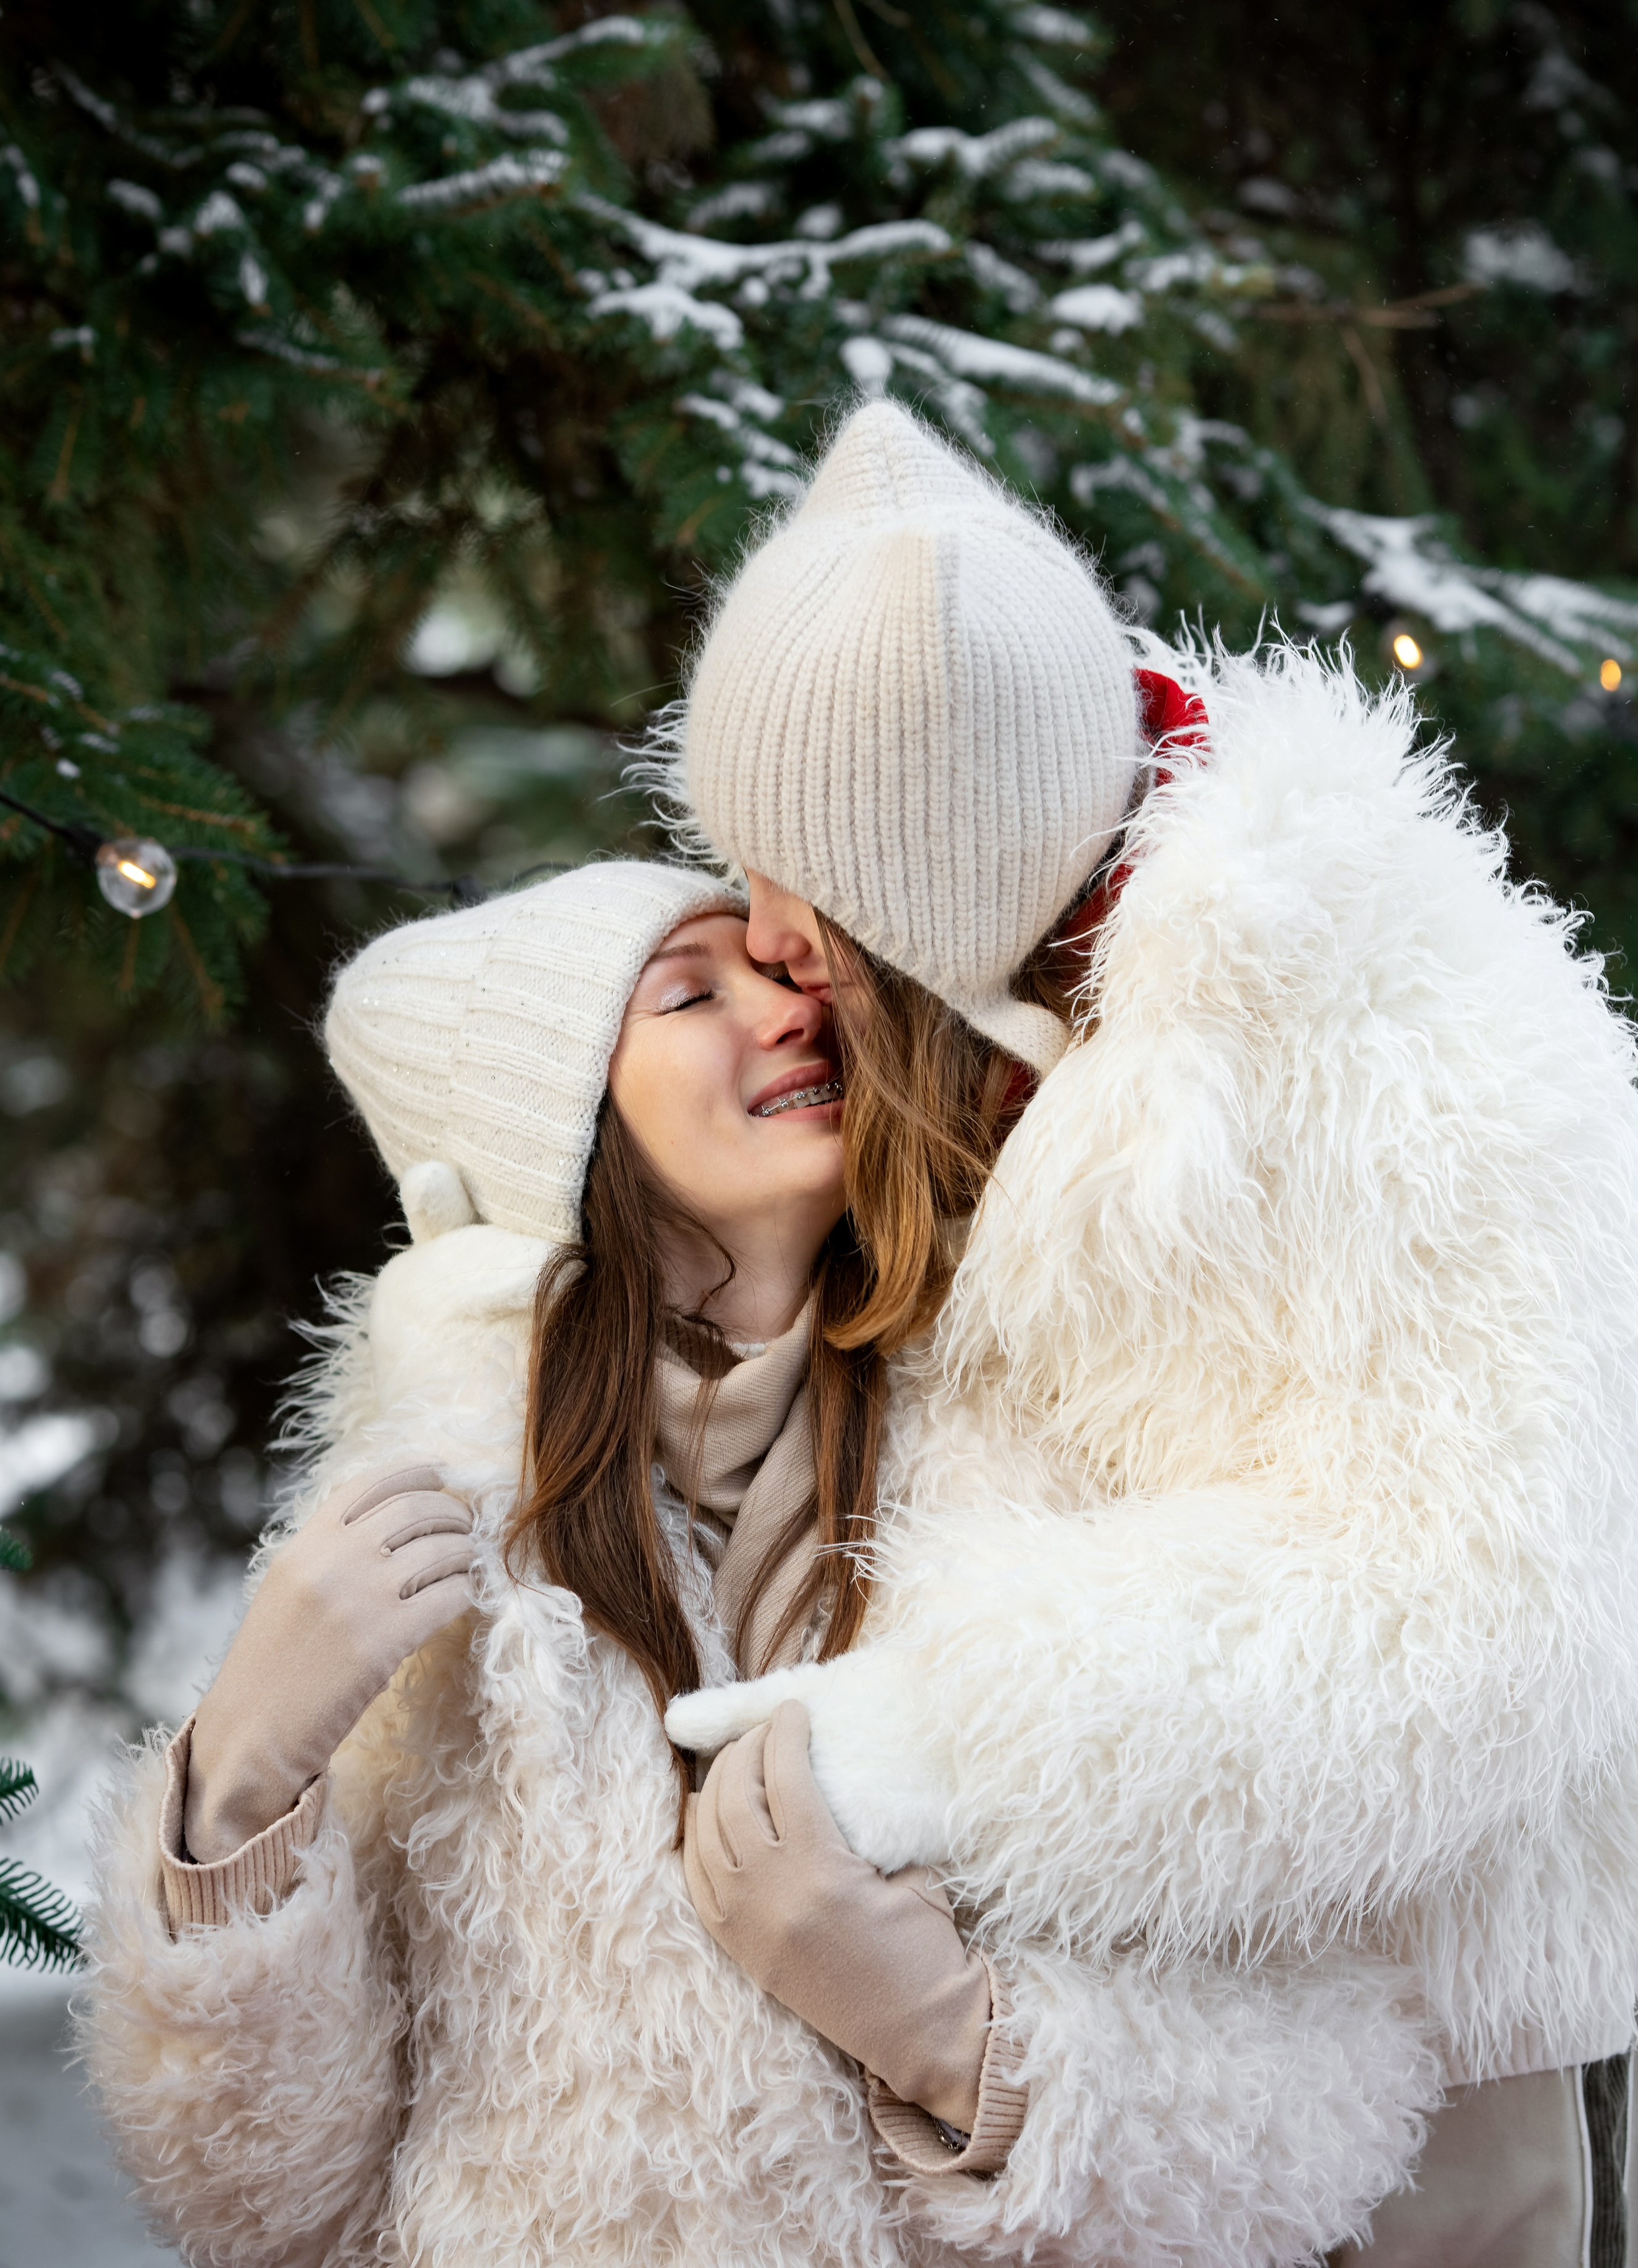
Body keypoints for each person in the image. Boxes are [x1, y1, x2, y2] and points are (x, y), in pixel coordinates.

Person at [79, 857, 1431, 2268]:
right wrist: (237, 1782)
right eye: (691, 994)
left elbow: (1318, 2092)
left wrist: (945, 2033)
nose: (790, 1013)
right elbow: (267, 2205)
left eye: (784, 977)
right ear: (557, 1128)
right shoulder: (426, 1550)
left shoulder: (1051, 1449)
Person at [658, 400, 1638, 2267]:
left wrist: (937, 1736)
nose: (758, 928)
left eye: (793, 889)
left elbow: (1469, 1611)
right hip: (1116, 2008)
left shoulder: (1390, 1051)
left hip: (1424, 2006)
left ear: (927, 882)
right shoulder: (1006, 1001)